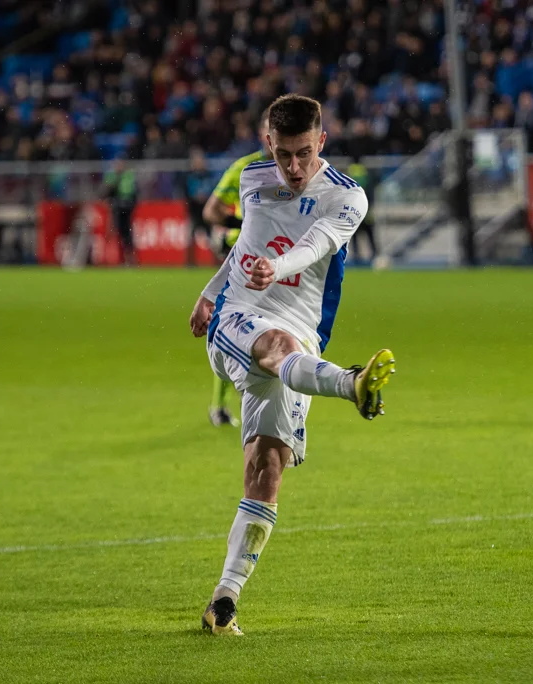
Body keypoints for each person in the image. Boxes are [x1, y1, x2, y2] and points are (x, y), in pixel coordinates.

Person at [188, 95, 395, 636]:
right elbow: (241, 250)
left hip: (300, 338)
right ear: (268, 145)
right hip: (240, 318)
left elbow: (315, 245)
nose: (295, 168)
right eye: (284, 156)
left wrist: (274, 267)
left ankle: (223, 601)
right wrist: (210, 293)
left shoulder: (348, 199)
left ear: (321, 142)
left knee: (266, 471)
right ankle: (352, 384)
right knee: (276, 344)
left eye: (305, 153)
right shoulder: (253, 179)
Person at [199, 107, 271, 428]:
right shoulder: (245, 169)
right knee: (238, 326)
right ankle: (222, 404)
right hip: (246, 258)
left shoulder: (297, 170)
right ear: (261, 134)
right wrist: (241, 226)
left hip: (280, 263)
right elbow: (211, 211)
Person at [182, 148, 213, 268]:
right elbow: (187, 193)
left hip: (206, 211)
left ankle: (214, 262)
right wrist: (195, 198)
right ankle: (189, 262)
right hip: (194, 211)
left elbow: (212, 191)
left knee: (211, 239)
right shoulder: (189, 176)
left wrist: (204, 197)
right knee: (190, 238)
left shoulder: (208, 176)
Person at [103, 158, 138, 265]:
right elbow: (107, 191)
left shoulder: (127, 176)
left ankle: (127, 259)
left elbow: (131, 193)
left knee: (125, 233)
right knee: (116, 232)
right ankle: (113, 258)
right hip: (117, 208)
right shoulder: (113, 176)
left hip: (124, 209)